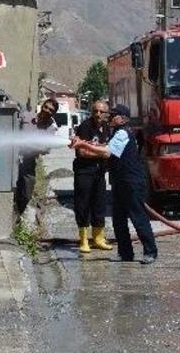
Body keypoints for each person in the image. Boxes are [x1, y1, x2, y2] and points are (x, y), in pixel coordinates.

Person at [69, 104, 158, 265]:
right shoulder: (116, 133)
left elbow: (107, 152)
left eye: (114, 115)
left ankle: (150, 251)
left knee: (138, 218)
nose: (110, 117)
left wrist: (82, 145)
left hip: (131, 182)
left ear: (123, 119)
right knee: (118, 219)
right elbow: (103, 147)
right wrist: (83, 142)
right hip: (120, 182)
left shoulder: (123, 133)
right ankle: (125, 253)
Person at [72, 100, 113, 254]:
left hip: (99, 173)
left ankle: (98, 238)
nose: (98, 114)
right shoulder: (85, 127)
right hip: (84, 172)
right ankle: (83, 239)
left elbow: (110, 150)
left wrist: (100, 152)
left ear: (106, 114)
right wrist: (102, 152)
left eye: (101, 112)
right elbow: (82, 152)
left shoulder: (107, 128)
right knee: (83, 204)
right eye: (95, 111)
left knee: (99, 204)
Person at [16, 99, 59, 215]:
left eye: (51, 110)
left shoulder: (51, 127)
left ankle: (18, 214)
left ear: (53, 113)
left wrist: (30, 147)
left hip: (29, 160)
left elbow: (46, 149)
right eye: (46, 107)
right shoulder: (26, 117)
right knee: (11, 187)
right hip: (13, 157)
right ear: (42, 106)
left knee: (27, 192)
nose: (47, 111)